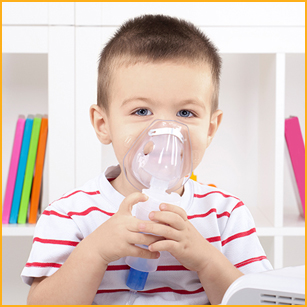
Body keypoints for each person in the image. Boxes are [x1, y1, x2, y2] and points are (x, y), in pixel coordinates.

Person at [22, 15, 272, 305]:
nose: (165, 131)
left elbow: (258, 301)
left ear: (210, 128)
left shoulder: (225, 216)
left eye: (185, 113)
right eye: (141, 111)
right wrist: (95, 252)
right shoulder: (69, 215)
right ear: (103, 124)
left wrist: (205, 260)